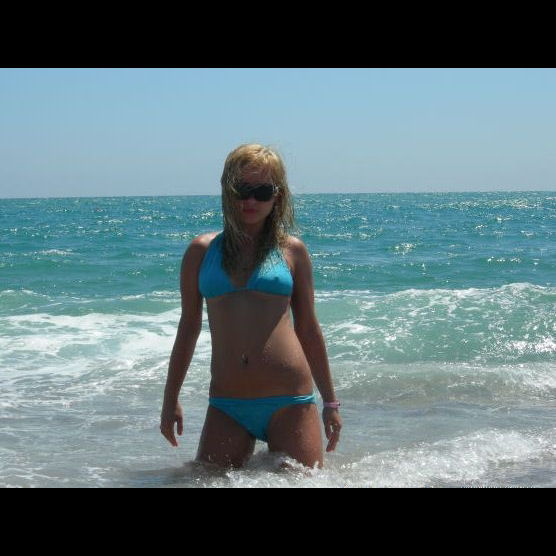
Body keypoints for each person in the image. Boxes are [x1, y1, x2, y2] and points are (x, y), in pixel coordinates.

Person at [160, 143, 342, 469]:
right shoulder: (201, 251)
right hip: (227, 404)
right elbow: (188, 328)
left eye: (262, 192)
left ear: (277, 197)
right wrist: (170, 399)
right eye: (242, 190)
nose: (251, 201)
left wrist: (330, 403)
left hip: (289, 400)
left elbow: (308, 329)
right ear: (227, 191)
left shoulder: (292, 251)